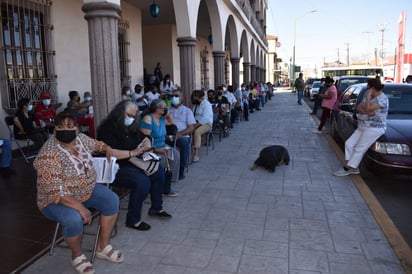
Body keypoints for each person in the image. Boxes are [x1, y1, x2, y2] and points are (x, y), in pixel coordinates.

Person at [33, 112, 123, 274]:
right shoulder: (48, 154)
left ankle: (102, 246)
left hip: (86, 191)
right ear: (54, 130)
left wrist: (106, 147)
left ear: (77, 129)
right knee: (74, 218)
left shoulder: (80, 139)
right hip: (54, 200)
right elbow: (55, 190)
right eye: (60, 127)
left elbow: (96, 145)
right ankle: (77, 255)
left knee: (112, 200)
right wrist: (80, 208)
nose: (65, 130)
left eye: (70, 126)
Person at [97, 100, 172, 231]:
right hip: (114, 166)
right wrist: (132, 152)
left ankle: (156, 208)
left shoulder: (131, 126)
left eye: (134, 116)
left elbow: (144, 137)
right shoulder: (107, 128)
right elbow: (110, 152)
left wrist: (147, 144)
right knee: (142, 181)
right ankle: (133, 219)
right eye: (129, 115)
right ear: (120, 113)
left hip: (132, 161)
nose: (131, 119)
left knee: (159, 172)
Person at [333, 78, 389, 176]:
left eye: (368, 87)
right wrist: (366, 111)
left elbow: (367, 108)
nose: (367, 90)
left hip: (374, 128)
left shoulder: (382, 99)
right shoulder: (370, 97)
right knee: (349, 144)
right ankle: (353, 166)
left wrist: (367, 99)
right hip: (363, 125)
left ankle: (348, 168)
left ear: (372, 88)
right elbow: (359, 107)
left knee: (359, 148)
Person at [140, 99, 180, 196]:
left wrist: (167, 113)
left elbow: (171, 122)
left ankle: (167, 184)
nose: (166, 109)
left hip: (162, 145)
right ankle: (158, 187)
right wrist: (156, 149)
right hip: (150, 148)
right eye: (163, 107)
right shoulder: (148, 119)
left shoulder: (162, 118)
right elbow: (145, 140)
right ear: (156, 109)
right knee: (161, 160)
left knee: (175, 154)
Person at [168, 89, 196, 179]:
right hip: (167, 135)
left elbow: (191, 127)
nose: (174, 98)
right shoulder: (166, 110)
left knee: (184, 143)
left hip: (181, 135)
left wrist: (180, 134)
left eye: (176, 96)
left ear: (182, 98)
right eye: (172, 96)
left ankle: (181, 168)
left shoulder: (187, 111)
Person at [191, 90, 213, 163]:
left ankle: (196, 154)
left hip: (206, 124)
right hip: (196, 122)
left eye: (195, 98)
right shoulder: (195, 105)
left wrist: (195, 126)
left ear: (199, 97)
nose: (193, 99)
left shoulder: (206, 104)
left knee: (197, 132)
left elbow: (205, 118)